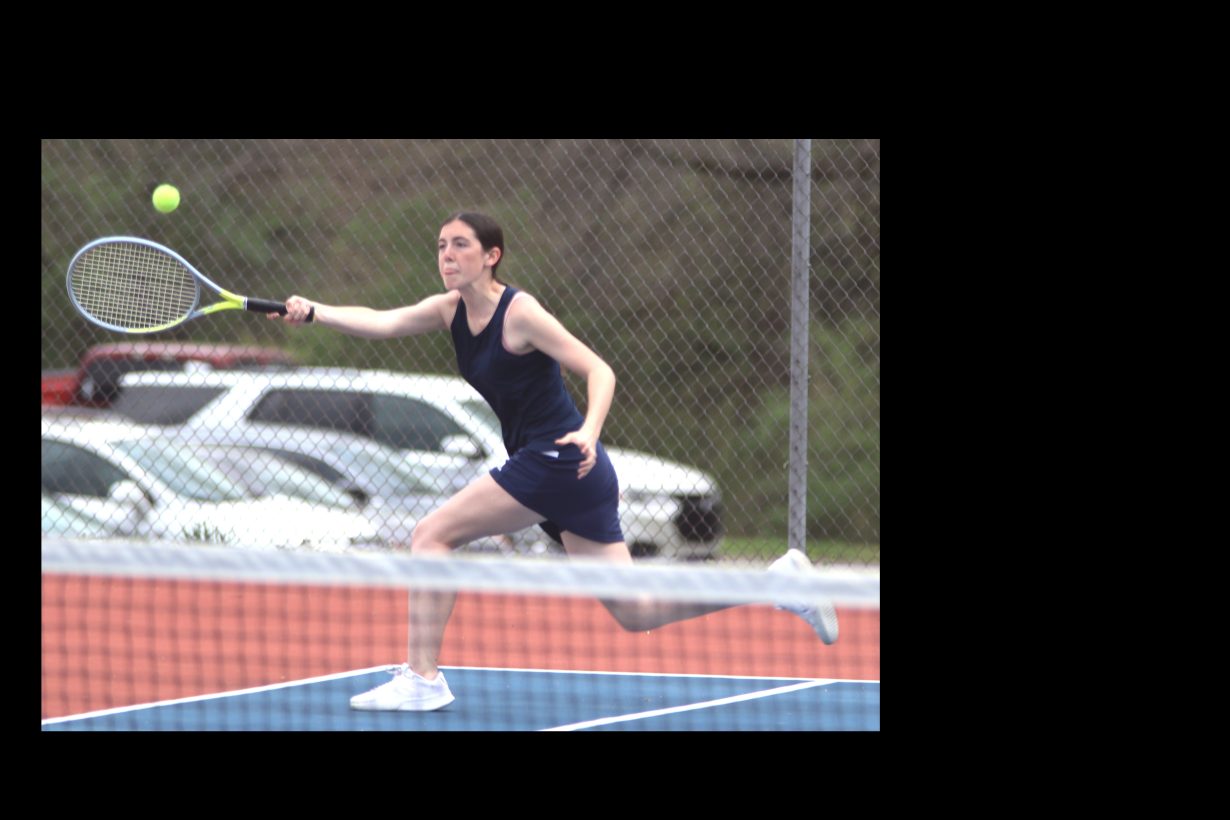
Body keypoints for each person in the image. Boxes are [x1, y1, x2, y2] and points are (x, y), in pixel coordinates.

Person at [271, 212, 837, 711]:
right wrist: (314, 311)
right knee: (636, 611)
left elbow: (598, 369)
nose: (447, 255)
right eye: (441, 246)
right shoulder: (448, 311)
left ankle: (422, 679)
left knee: (431, 534)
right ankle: (775, 582)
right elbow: (383, 322)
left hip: (558, 459)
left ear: (491, 256)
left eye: (461, 245)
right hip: (566, 473)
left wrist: (590, 431)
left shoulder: (520, 314)